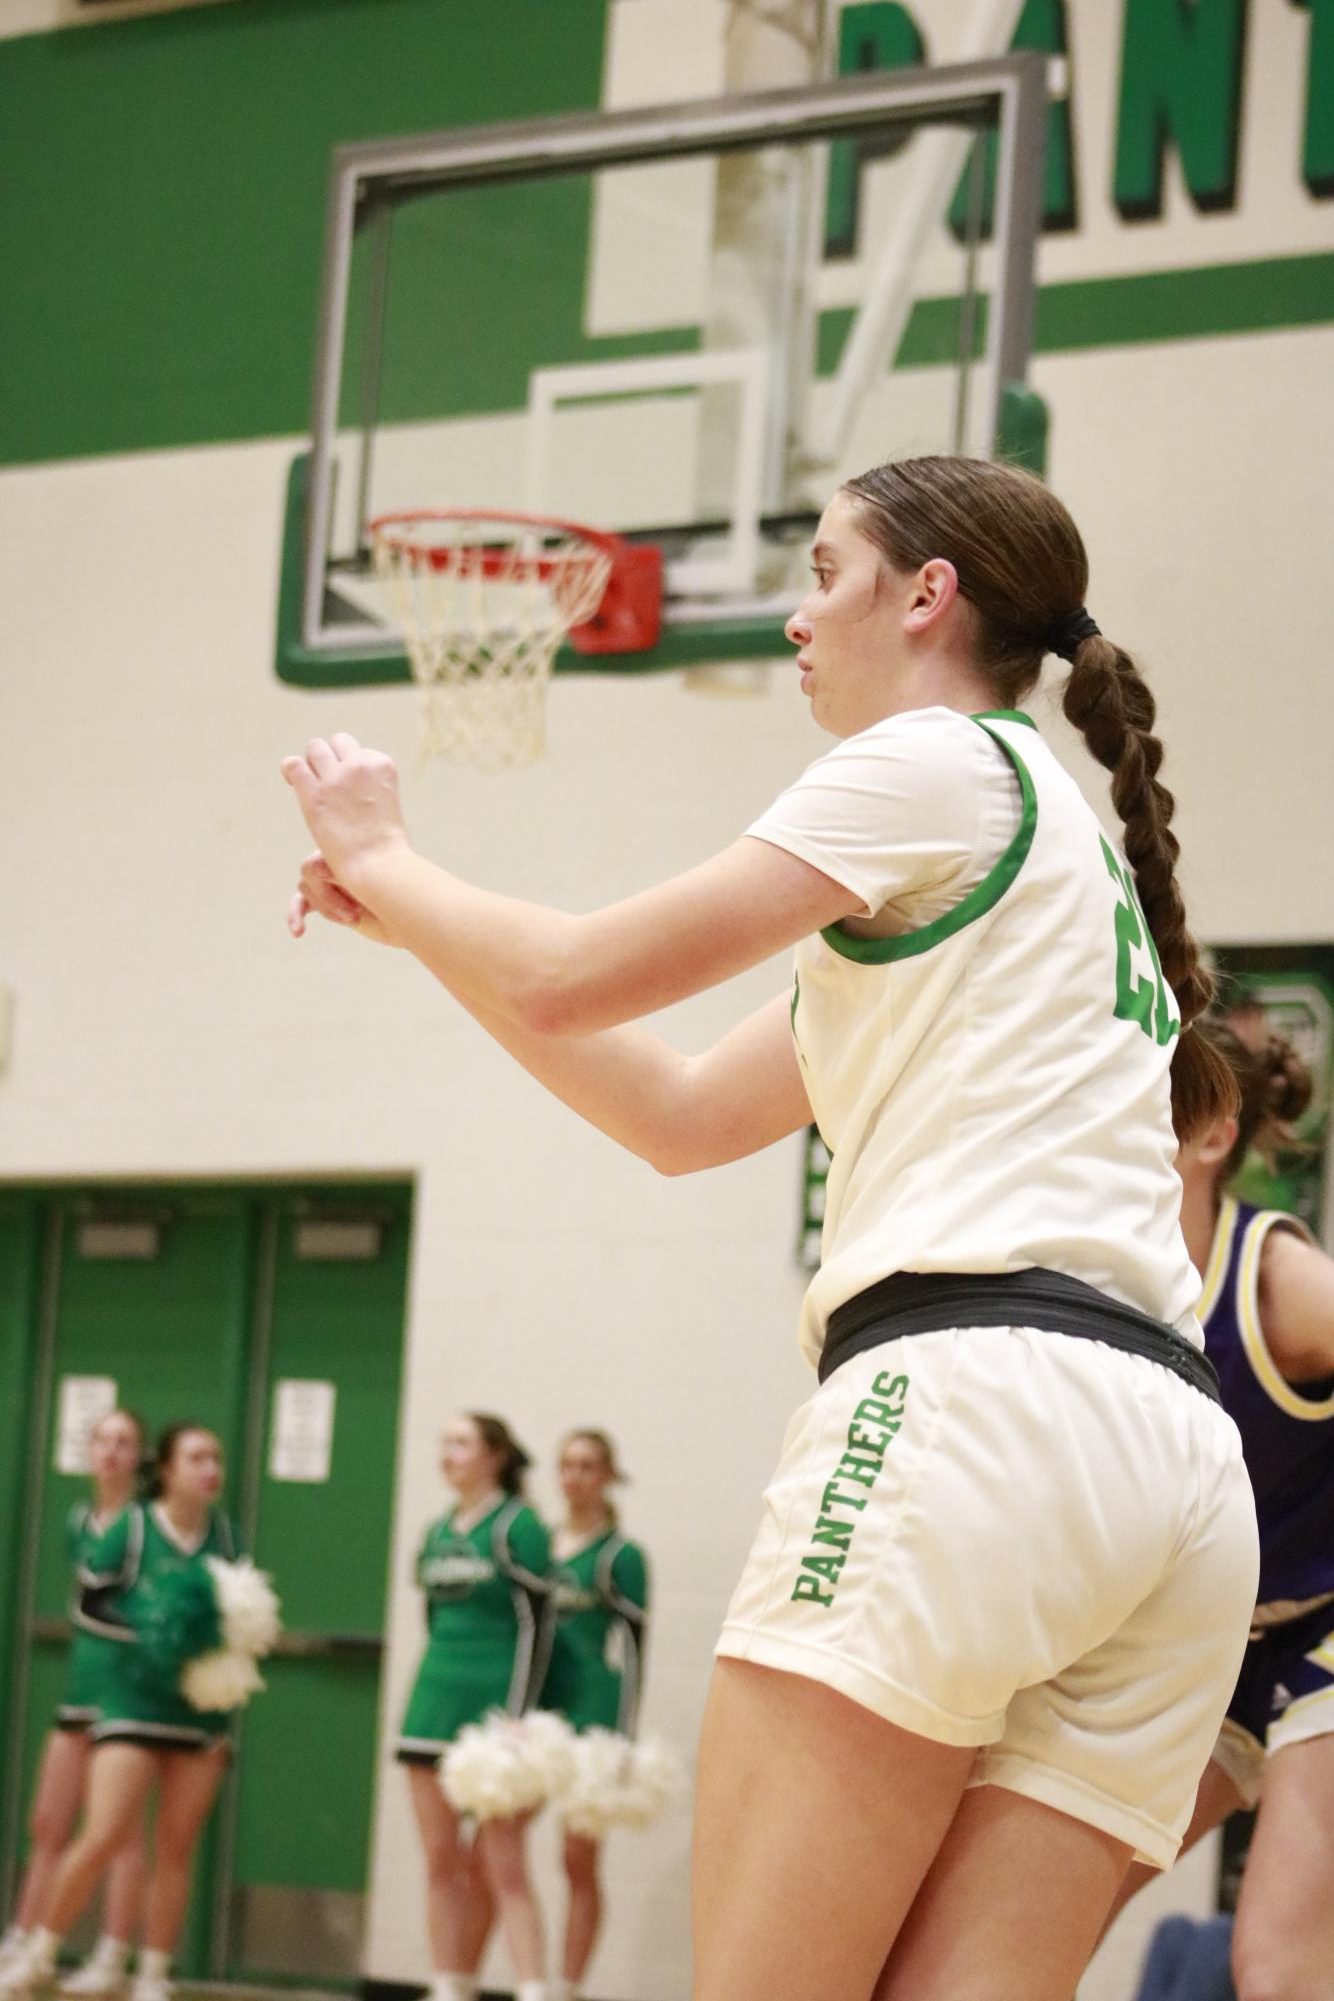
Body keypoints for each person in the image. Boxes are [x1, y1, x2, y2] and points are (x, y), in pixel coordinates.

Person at [282, 452, 1260, 2001]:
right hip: (1174, 1474)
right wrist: (423, 935)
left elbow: (571, 974)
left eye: (821, 574)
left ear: (925, 595)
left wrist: (385, 850)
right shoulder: (1051, 837)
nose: (796, 619)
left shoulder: (932, 760)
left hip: (975, 1418)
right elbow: (674, 1111)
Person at [1099, 1016, 1334, 2001]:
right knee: (1032, 1907)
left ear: (1206, 1137)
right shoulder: (1106, 1296)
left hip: (1324, 1623)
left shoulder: (1277, 1280)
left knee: (1275, 1966)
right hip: (1219, 1644)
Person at [0, 1425, 238, 2001]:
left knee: (176, 1848)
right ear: (168, 1468)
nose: (210, 1467)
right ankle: (41, 1953)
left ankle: (152, 1973)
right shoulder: (132, 1527)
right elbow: (87, 1603)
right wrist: (151, 1633)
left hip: (197, 1712)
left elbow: (235, 1616)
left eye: (216, 1457)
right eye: (196, 1457)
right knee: (102, 1833)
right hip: (131, 1703)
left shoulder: (226, 1535)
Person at [393, 1413, 552, 2001]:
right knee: (440, 1858)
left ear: (495, 1456)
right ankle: (449, 1982)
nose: (448, 1452)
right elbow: (434, 1618)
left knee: (501, 1861)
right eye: (444, 1442)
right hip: (431, 1703)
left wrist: (518, 1713)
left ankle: (534, 1986)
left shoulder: (519, 1526)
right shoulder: (437, 1531)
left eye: (460, 1442)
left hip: (495, 1713)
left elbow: (540, 1625)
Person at [0, 1411, 149, 1997]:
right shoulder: (77, 1521)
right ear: (88, 1453)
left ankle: (114, 1956)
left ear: (139, 1458)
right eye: (103, 1441)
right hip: (80, 1686)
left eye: (124, 1442)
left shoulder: (143, 1525)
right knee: (49, 1820)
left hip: (128, 1695)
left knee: (119, 1832)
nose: (112, 1452)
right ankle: (24, 1933)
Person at [540, 1430, 649, 2001]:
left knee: (576, 1858)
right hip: (537, 1711)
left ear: (607, 1475)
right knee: (493, 1843)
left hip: (591, 1711)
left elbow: (633, 1652)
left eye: (587, 1466)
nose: (575, 1477)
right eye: (566, 1465)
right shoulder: (538, 1543)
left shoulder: (620, 1556)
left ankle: (568, 1988)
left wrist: (624, 1738)